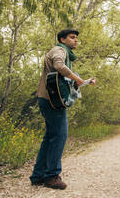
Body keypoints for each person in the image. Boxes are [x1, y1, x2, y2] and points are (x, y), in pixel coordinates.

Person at [30, 29, 95, 190]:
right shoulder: (59, 50)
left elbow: (64, 79)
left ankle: (38, 176)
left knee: (50, 137)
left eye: (76, 38)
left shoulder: (64, 52)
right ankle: (51, 176)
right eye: (72, 38)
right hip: (51, 101)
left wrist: (83, 81)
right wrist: (78, 79)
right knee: (59, 136)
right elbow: (59, 65)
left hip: (48, 99)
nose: (75, 40)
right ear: (62, 39)